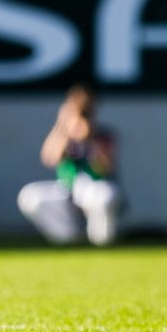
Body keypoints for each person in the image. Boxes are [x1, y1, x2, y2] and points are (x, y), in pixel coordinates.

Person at [18, 84, 123, 246]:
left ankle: (101, 243)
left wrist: (90, 139)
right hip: (67, 188)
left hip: (94, 188)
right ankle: (68, 240)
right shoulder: (64, 135)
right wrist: (63, 126)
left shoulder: (103, 135)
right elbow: (49, 158)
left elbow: (105, 167)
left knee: (105, 196)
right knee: (31, 196)